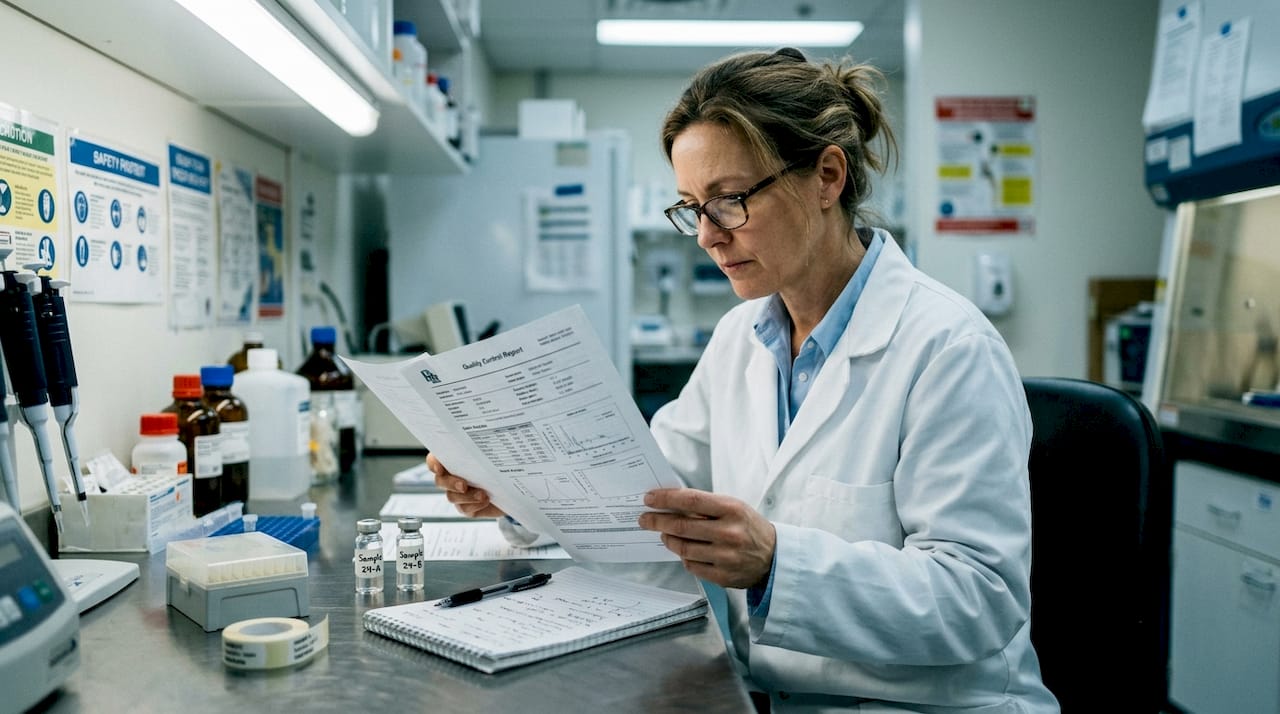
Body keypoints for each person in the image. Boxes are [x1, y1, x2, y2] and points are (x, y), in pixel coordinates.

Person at [431, 47, 1058, 713]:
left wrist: (775, 563)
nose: (706, 236)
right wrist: (519, 490)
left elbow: (980, 600)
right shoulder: (740, 338)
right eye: (691, 207)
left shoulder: (949, 348)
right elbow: (646, 504)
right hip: (759, 695)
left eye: (729, 201)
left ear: (827, 176)